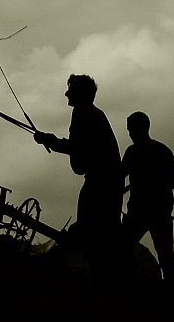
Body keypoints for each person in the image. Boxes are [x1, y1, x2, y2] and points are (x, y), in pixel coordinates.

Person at [34, 74, 124, 281]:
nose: (67, 93)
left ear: (80, 93)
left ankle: (102, 279)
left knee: (92, 230)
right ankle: (114, 278)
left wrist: (50, 140)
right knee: (108, 230)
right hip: (109, 180)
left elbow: (79, 146)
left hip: (100, 181)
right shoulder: (93, 113)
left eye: (70, 89)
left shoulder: (82, 112)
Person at [120, 111, 174, 288]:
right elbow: (120, 174)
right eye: (129, 130)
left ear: (144, 128)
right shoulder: (131, 152)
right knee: (122, 250)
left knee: (165, 258)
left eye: (133, 129)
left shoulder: (162, 152)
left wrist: (146, 185)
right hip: (137, 212)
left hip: (158, 213)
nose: (130, 134)